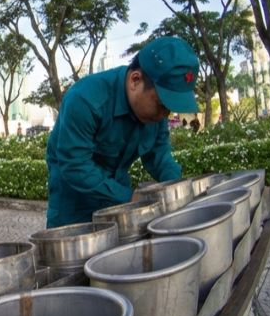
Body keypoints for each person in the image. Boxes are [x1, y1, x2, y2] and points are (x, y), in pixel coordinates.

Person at [45, 36, 199, 228]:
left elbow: (159, 156)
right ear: (135, 80)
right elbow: (75, 164)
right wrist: (129, 198)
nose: (164, 115)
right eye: (161, 105)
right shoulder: (85, 100)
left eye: (169, 108)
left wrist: (176, 189)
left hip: (120, 202)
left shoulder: (155, 114)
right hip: (74, 207)